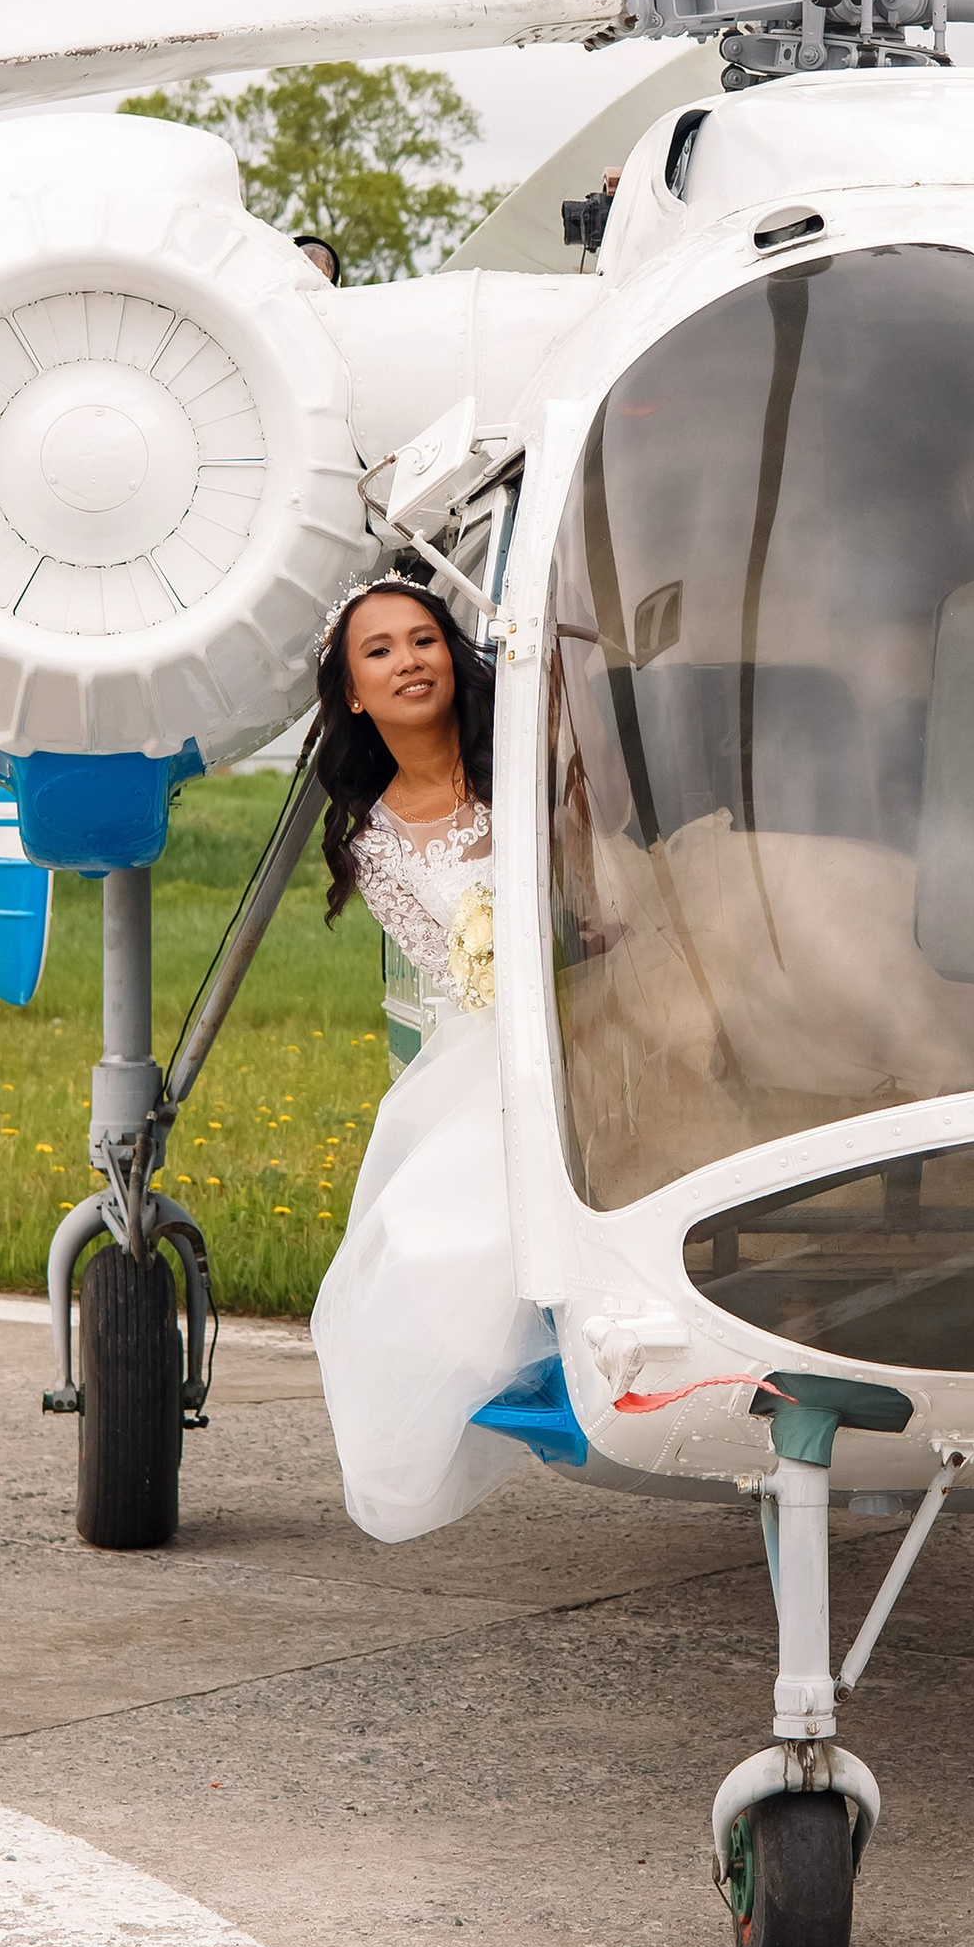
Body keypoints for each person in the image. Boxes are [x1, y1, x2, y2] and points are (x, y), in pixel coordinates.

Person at [305, 562, 545, 1540]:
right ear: (353, 696)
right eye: (379, 652)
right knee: (433, 1227)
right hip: (490, 1034)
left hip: (606, 992)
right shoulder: (375, 843)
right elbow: (452, 977)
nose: (409, 661)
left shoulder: (525, 756)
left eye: (422, 639)